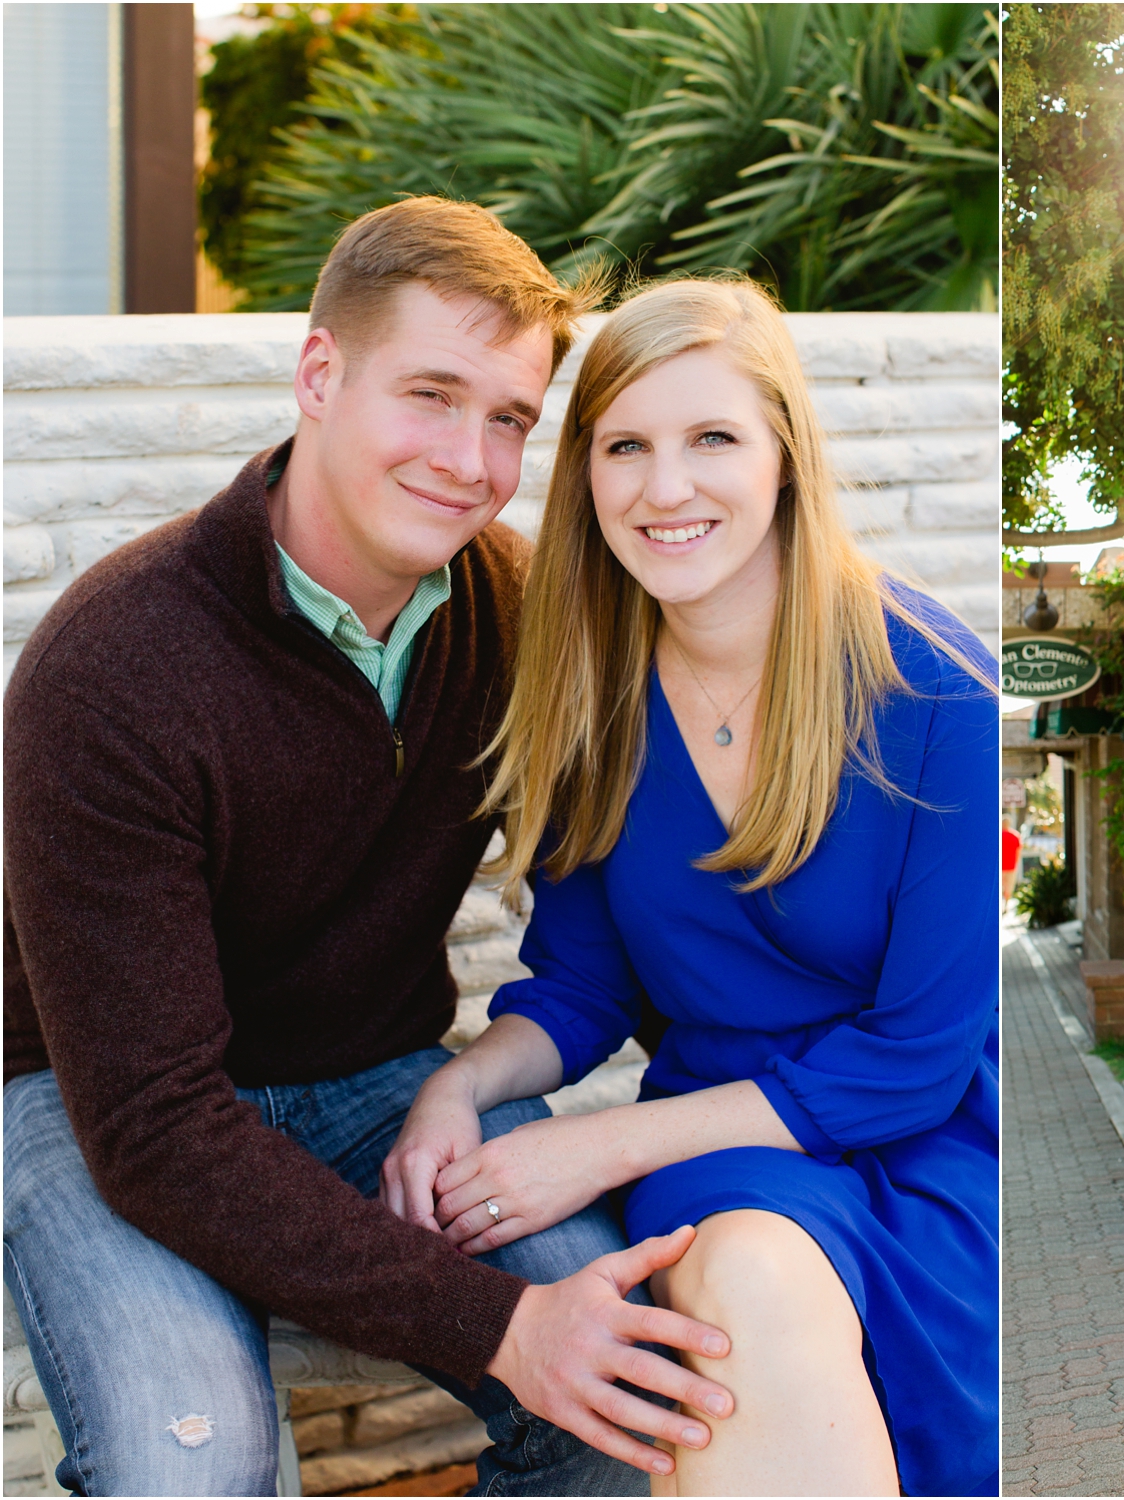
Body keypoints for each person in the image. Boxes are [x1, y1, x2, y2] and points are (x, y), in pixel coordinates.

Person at [3, 197, 736, 1497]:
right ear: (320, 374)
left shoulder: (514, 612)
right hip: (91, 1099)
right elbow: (158, 1131)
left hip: (372, 1076)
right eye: (432, 395)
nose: (469, 457)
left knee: (642, 1399)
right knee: (196, 1465)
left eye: (509, 418)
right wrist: (504, 1328)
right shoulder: (112, 666)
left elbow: (622, 909)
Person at [381, 276, 1000, 1497]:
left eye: (711, 438)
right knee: (742, 1296)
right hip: (733, 1151)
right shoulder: (587, 698)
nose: (666, 490)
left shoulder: (936, 697)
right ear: (588, 474)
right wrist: (458, 1085)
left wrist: (599, 1148)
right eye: (625, 447)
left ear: (783, 457)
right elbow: (579, 985)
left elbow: (917, 1059)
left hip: (932, 1146)